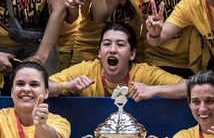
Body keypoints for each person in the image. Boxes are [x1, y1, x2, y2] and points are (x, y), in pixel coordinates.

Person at [50, 23, 185, 99]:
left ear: (132, 54)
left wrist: (154, 90)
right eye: (107, 44)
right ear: (99, 52)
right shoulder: (85, 70)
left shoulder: (144, 73)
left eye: (120, 44)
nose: (112, 50)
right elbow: (43, 87)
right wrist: (66, 86)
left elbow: (189, 87)